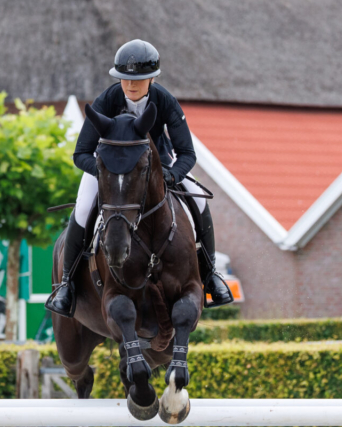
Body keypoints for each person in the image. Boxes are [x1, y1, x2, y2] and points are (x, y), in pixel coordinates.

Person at [46, 39, 233, 317]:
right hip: (109, 169)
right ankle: (66, 284)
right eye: (124, 79)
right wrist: (106, 172)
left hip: (159, 168)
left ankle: (211, 275)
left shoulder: (165, 101)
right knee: (84, 206)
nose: (130, 85)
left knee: (201, 204)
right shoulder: (107, 100)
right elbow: (81, 153)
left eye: (139, 79)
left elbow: (187, 153)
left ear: (153, 78)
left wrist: (172, 175)